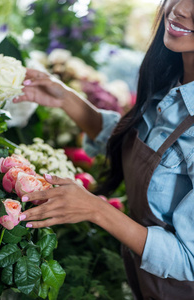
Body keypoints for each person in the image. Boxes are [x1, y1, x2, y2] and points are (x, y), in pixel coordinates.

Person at [14, 0, 194, 299]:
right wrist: (66, 99)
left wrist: (95, 209)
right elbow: (141, 143)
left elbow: (190, 261)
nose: (181, 8)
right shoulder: (171, 81)